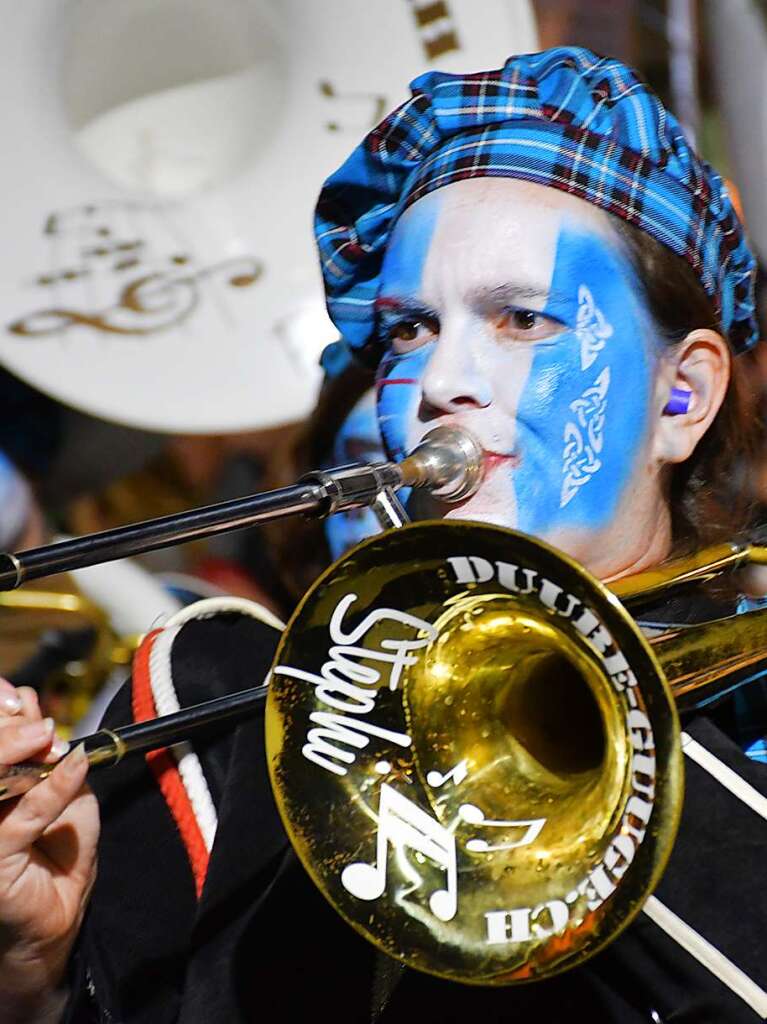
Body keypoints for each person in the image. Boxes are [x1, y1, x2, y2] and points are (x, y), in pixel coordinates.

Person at [0, 47, 765, 1023]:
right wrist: (33, 976)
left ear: (681, 395)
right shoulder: (224, 706)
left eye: (520, 318)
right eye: (407, 329)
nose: (441, 379)